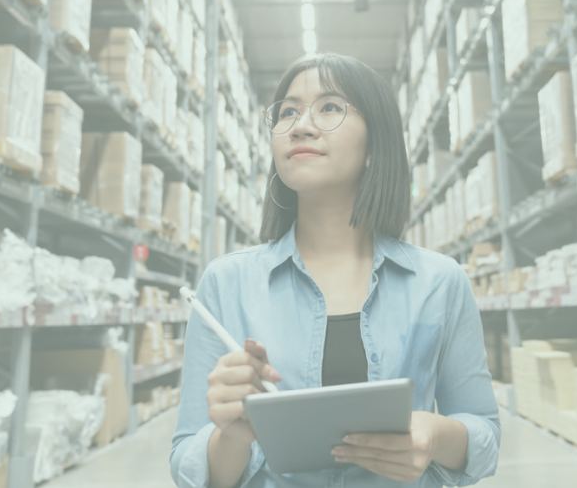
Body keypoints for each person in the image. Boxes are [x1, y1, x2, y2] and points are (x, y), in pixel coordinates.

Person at [170, 52, 500, 488]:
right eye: (288, 111)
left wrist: (437, 435)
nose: (301, 125)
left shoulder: (439, 282)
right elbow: (188, 467)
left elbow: (485, 434)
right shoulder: (226, 283)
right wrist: (232, 434)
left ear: (374, 147)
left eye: (329, 107)